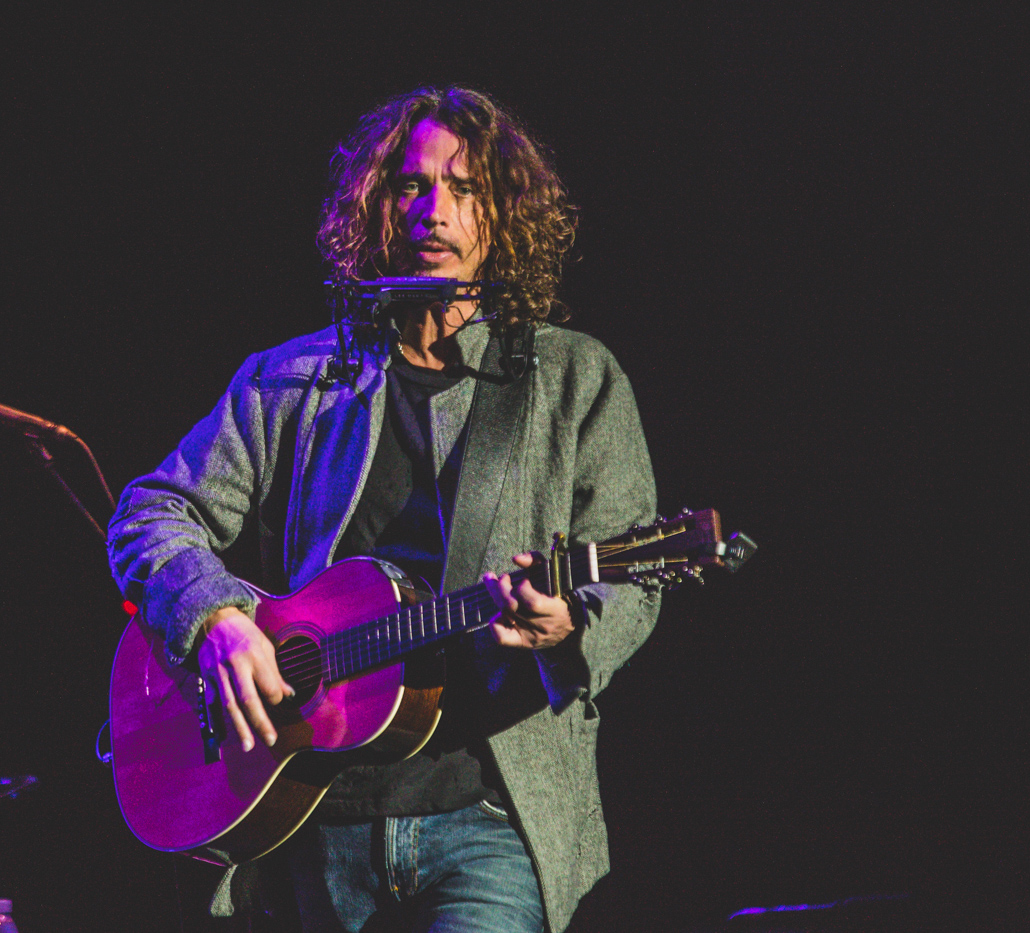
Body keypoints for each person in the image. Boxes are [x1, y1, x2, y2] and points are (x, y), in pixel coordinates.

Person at [108, 86, 660, 933]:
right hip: (310, 811)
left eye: (465, 189)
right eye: (411, 185)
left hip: (490, 815)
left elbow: (631, 575)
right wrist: (215, 618)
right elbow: (151, 511)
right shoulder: (291, 379)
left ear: (503, 215)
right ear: (377, 206)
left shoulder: (573, 378)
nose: (434, 209)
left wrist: (569, 628)